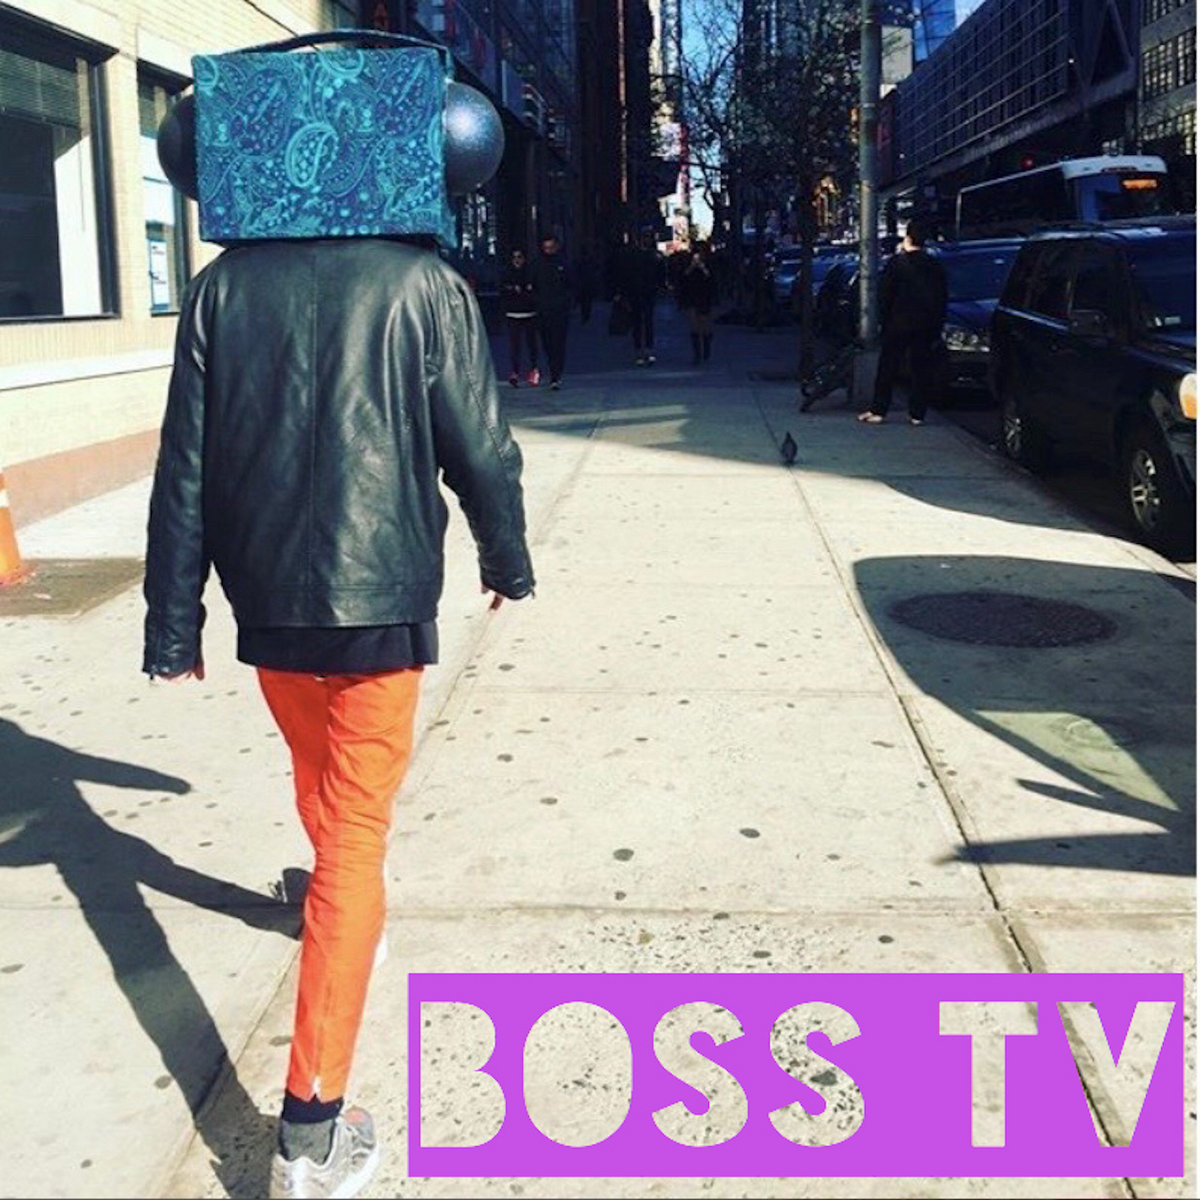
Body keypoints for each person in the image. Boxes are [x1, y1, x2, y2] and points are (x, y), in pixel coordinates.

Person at [143, 39, 534, 1200]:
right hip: (380, 608)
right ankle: (311, 1131)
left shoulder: (221, 289)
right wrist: (507, 559)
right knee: (357, 840)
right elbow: (483, 451)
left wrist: (175, 622)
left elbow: (183, 468)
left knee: (325, 791)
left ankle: (328, 908)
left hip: (271, 609)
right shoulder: (427, 285)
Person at [859, 218, 947, 426]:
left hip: (898, 323)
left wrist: (883, 320)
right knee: (920, 368)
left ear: (907, 237)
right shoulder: (934, 265)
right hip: (925, 324)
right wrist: (937, 325)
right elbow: (941, 297)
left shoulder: (896, 264)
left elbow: (884, 295)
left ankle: (879, 409)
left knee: (888, 366)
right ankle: (917, 413)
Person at [614, 230, 664, 365]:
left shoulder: (633, 255)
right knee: (643, 321)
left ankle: (643, 350)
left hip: (641, 291)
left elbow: (624, 274)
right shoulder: (653, 255)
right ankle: (644, 350)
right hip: (640, 291)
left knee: (642, 321)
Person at [531, 232, 573, 389]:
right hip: (543, 310)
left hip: (560, 310)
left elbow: (570, 285)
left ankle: (556, 374)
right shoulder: (537, 264)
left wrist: (566, 303)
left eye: (551, 247)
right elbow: (533, 285)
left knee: (559, 343)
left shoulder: (563, 264)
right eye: (546, 247)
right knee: (547, 343)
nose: (549, 250)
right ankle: (553, 370)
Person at [500, 247, 539, 386]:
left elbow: (534, 290)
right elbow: (503, 290)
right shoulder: (506, 273)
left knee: (531, 344)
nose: (517, 260)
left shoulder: (530, 273)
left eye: (519, 257)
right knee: (515, 345)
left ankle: (533, 369)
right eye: (514, 257)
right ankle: (515, 371)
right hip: (513, 313)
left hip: (529, 312)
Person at [677, 247, 718, 365]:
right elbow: (682, 279)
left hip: (705, 298)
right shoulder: (687, 267)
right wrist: (691, 267)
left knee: (705, 325)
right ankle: (698, 354)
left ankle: (705, 351)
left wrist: (702, 268)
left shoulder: (709, 266)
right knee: (694, 325)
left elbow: (712, 280)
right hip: (692, 298)